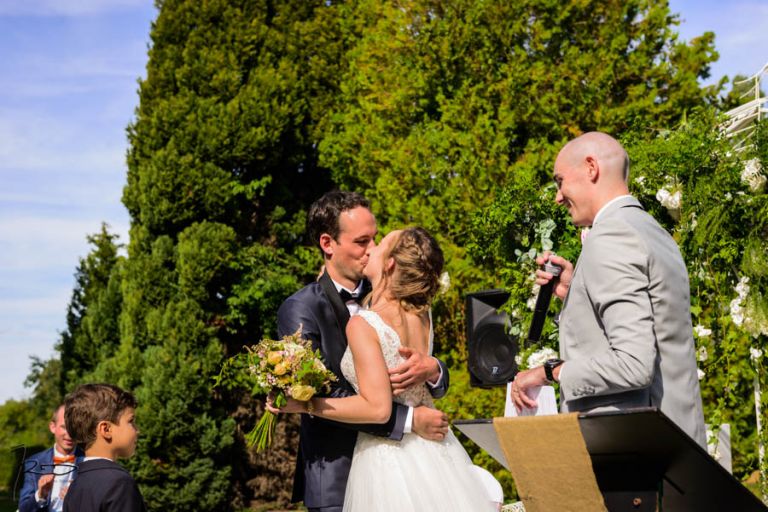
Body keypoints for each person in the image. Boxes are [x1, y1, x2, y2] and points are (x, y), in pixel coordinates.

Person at [510, 131, 707, 448]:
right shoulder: (653, 232)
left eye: (560, 181)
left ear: (591, 167)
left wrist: (550, 372)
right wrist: (575, 291)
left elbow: (633, 364)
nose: (558, 196)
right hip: (673, 439)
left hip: (632, 450)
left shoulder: (611, 235)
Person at [277, 227, 494, 511]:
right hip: (436, 455)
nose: (372, 249)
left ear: (390, 263)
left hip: (387, 463)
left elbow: (377, 409)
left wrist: (307, 405)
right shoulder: (422, 313)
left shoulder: (365, 324)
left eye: (380, 244)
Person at [62, 383, 147, 512]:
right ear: (106, 429)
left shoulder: (75, 485)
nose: (137, 430)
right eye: (131, 421)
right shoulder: (119, 483)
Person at [19, 405, 84, 512]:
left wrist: (80, 500)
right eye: (64, 427)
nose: (69, 434)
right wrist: (40, 495)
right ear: (52, 427)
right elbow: (24, 508)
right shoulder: (34, 462)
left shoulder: (89, 461)